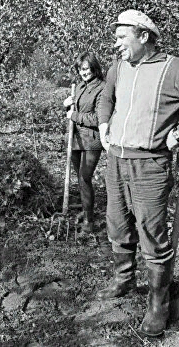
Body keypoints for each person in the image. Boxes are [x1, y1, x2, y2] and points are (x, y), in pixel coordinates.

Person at [96, 10, 179, 337]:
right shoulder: (119, 67)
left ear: (144, 36)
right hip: (116, 160)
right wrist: (104, 126)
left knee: (152, 234)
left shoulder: (176, 69)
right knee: (117, 223)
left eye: (121, 37)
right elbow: (105, 97)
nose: (116, 44)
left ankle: (159, 302)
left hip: (150, 166)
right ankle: (124, 280)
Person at [62, 52, 106, 236]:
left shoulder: (102, 88)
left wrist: (74, 116)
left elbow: (98, 118)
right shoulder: (79, 86)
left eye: (86, 69)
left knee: (84, 177)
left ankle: (89, 221)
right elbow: (72, 109)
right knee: (80, 179)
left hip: (91, 141)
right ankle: (86, 209)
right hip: (75, 139)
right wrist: (66, 105)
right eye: (80, 69)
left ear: (94, 68)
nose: (83, 72)